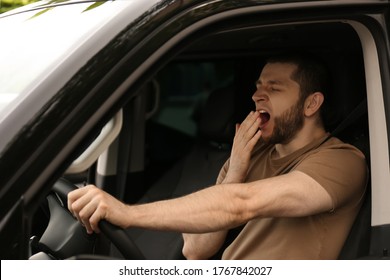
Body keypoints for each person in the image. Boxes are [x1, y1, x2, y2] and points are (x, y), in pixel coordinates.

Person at [68, 53, 368, 259]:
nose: (257, 96)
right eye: (257, 87)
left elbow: (242, 204)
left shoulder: (342, 161)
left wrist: (127, 214)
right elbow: (195, 250)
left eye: (274, 88)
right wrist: (236, 169)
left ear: (311, 103)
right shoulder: (250, 151)